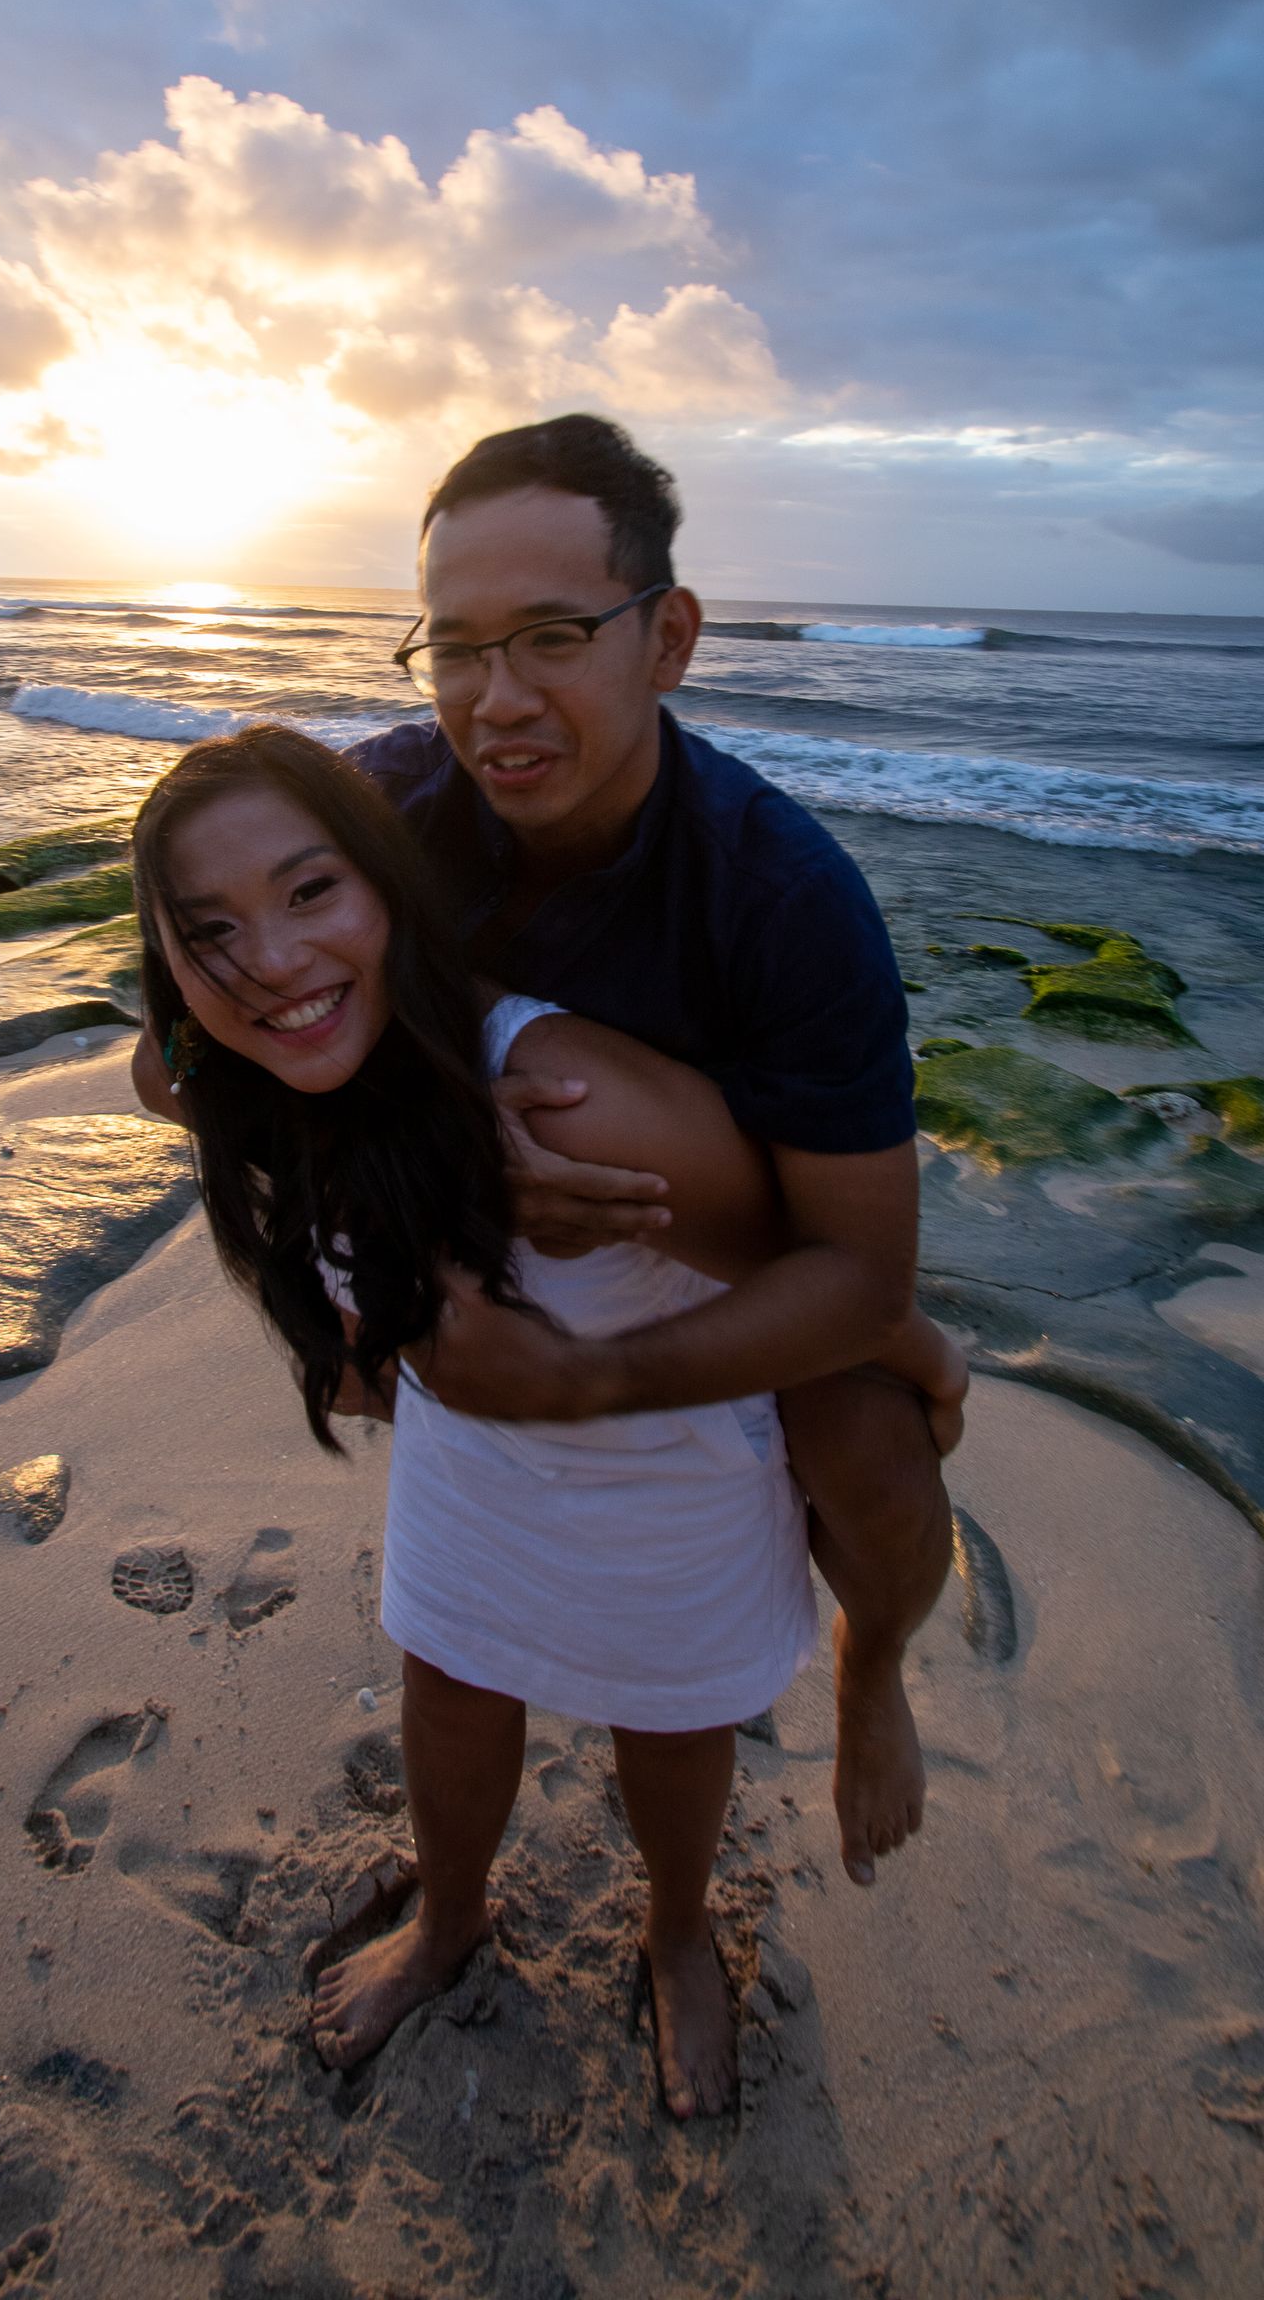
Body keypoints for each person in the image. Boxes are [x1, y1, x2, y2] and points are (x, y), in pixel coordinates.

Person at [129, 725, 963, 2115]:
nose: (268, 962)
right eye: (209, 932)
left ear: (391, 888)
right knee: (452, 1678)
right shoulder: (215, 1066)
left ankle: (679, 1929)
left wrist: (930, 1360)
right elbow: (174, 1071)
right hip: (472, 1450)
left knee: (671, 1718)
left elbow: (823, 1266)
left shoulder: (568, 1094)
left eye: (311, 892)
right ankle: (450, 1920)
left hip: (669, 1449)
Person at [336, 415, 959, 1888]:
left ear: (667, 638)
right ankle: (450, 1912)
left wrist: (595, 1382)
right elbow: (190, 1031)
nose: (497, 699)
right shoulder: (384, 812)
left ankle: (871, 1667)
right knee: (435, 1578)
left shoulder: (781, 896)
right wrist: (441, 1125)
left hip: (731, 1259)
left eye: (554, 637)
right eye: (455, 648)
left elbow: (857, 1272)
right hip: (498, 1257)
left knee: (872, 1447)